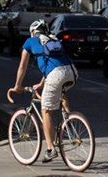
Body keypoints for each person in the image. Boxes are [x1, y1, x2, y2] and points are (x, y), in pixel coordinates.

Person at [8, 19, 77, 162]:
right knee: (60, 95)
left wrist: (17, 85)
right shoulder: (53, 39)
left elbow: (22, 66)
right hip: (72, 72)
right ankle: (69, 122)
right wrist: (40, 84)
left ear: (33, 31)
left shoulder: (30, 41)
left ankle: (51, 149)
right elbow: (52, 65)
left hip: (55, 75)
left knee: (46, 111)